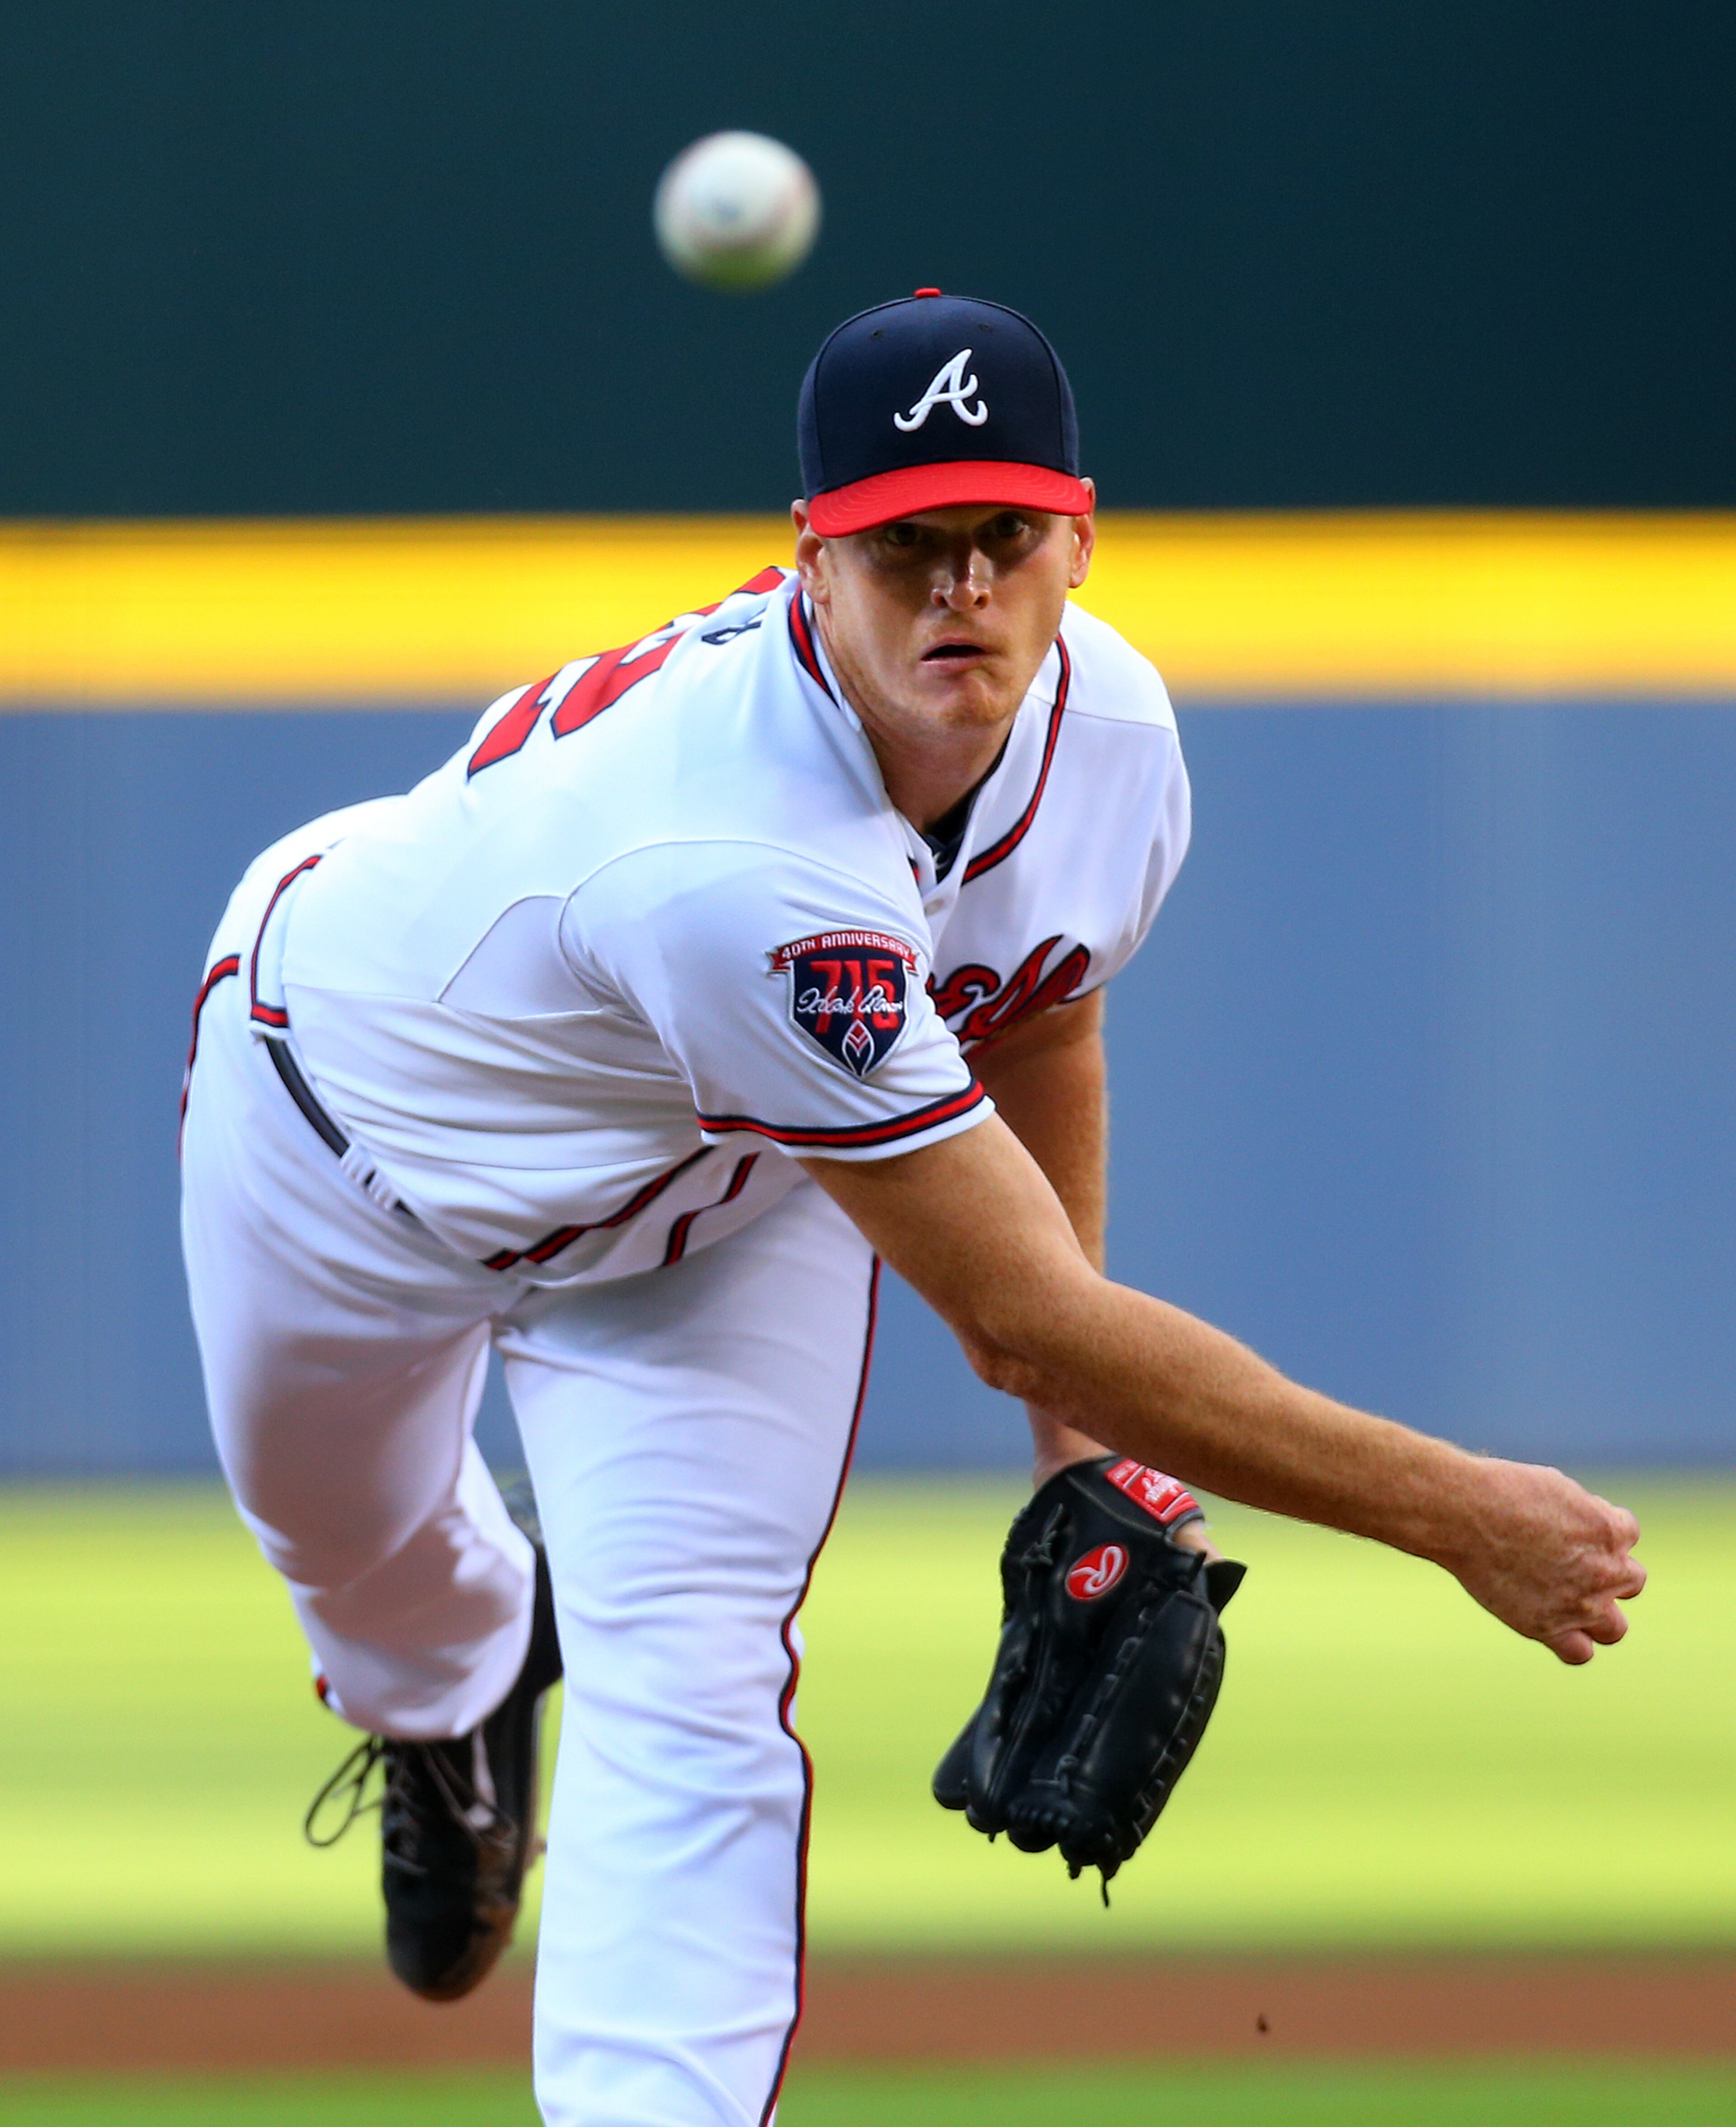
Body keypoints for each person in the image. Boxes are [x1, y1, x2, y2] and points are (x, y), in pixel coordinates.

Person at [179, 291, 1644, 2127]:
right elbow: (1016, 1311)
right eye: (907, 546)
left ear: (1079, 540)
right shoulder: (734, 855)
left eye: (1004, 538)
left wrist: (1083, 1465)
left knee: (699, 1694)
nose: (963, 586)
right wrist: (1454, 1515)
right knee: (362, 1565)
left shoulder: (1108, 729)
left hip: (727, 1190)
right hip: (343, 1151)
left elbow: (1041, 1002)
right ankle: (448, 1687)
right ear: (813, 563)